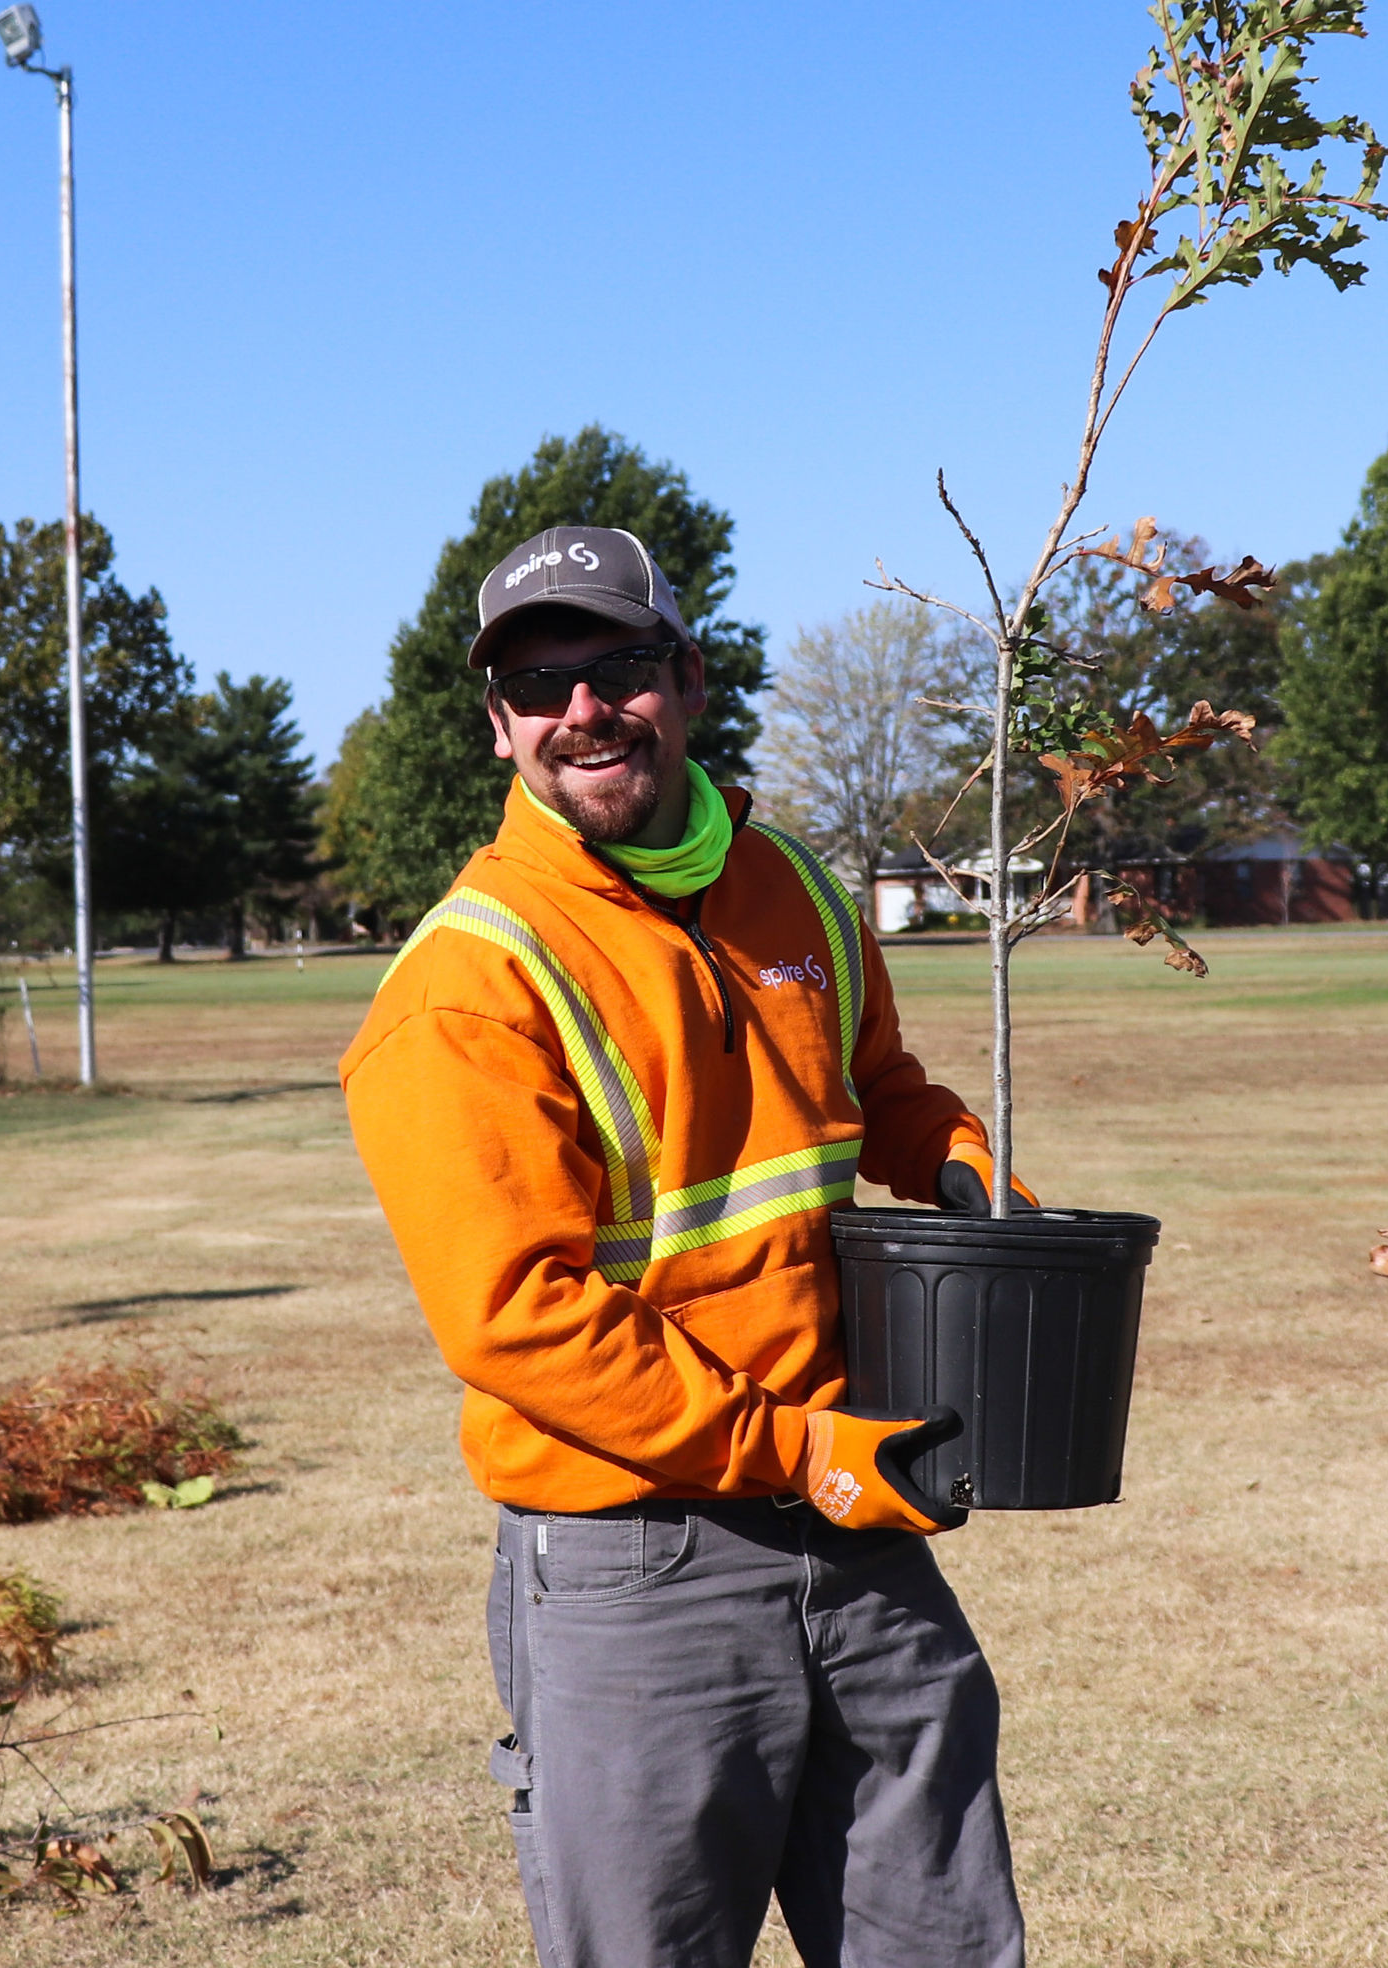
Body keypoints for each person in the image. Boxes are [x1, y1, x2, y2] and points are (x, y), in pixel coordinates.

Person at [339, 524, 1033, 1968]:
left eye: (616, 665)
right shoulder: (468, 984)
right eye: (538, 688)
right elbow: (516, 1318)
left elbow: (880, 1089)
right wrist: (800, 1453)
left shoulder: (796, 890)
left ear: (690, 679)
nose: (581, 708)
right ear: (499, 730)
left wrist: (957, 1162)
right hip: (633, 1567)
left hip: (860, 1530)